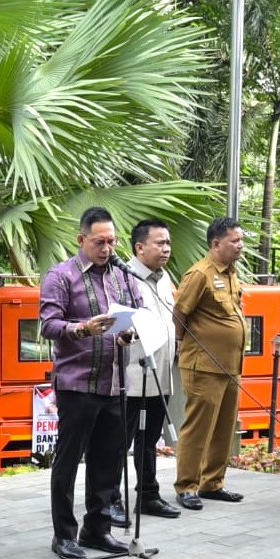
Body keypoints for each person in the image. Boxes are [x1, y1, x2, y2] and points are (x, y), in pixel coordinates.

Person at [39, 207, 140, 559]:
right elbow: (48, 324)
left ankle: (97, 529)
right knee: (68, 462)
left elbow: (136, 314)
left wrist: (129, 333)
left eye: (112, 241)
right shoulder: (61, 275)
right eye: (99, 242)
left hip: (115, 383)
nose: (107, 248)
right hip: (77, 384)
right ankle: (63, 536)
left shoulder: (122, 275)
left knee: (107, 461)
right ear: (81, 239)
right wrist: (82, 328)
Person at [173, 217, 248, 510]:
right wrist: (187, 345)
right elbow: (179, 314)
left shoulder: (231, 273)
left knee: (224, 428)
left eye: (241, 240)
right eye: (235, 240)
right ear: (216, 243)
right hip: (203, 365)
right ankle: (186, 486)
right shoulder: (199, 274)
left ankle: (212, 483)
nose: (240, 245)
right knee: (198, 428)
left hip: (230, 365)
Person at [121, 219, 182, 519]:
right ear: (140, 247)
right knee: (119, 442)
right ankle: (108, 499)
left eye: (168, 243)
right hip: (132, 375)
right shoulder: (124, 277)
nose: (166, 248)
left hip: (161, 374)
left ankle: (148, 495)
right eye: (160, 243)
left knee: (150, 439)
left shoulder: (164, 277)